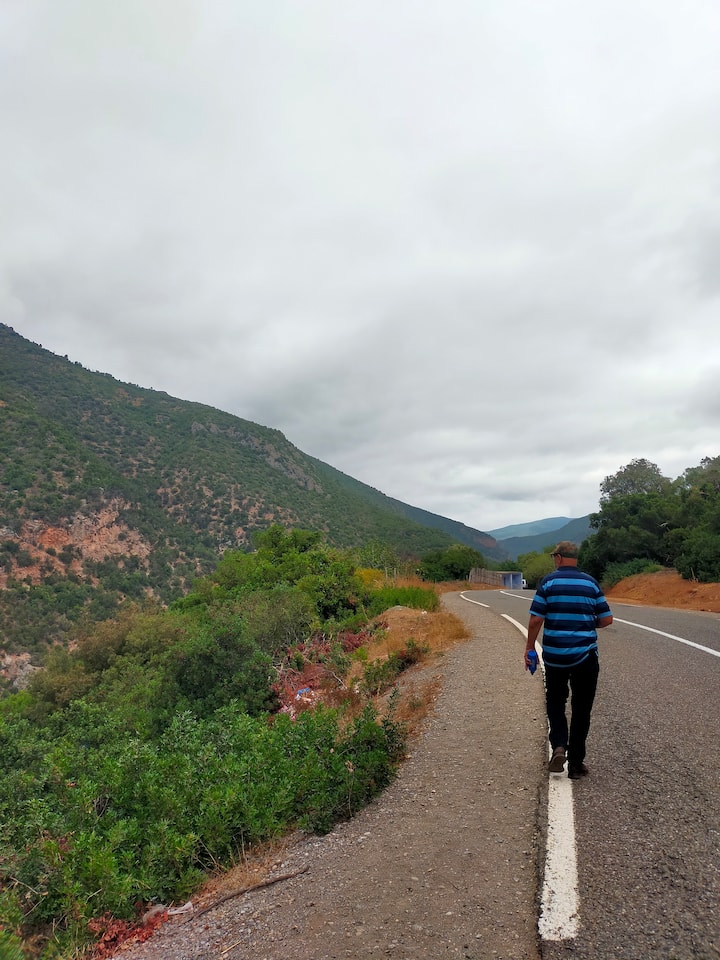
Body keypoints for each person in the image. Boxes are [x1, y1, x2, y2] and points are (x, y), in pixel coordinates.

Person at [524, 541, 613, 779]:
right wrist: (585, 622)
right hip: (585, 657)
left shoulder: (548, 582)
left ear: (559, 558)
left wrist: (530, 647)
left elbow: (535, 620)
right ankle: (576, 764)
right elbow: (606, 620)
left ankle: (560, 746)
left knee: (555, 702)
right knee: (582, 709)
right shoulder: (590, 583)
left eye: (554, 556)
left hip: (555, 657)